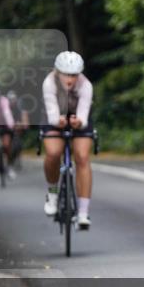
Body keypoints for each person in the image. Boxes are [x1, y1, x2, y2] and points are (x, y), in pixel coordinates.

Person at [41, 51, 95, 229]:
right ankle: (52, 193)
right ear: (57, 72)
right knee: (53, 152)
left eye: (74, 74)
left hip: (77, 116)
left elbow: (84, 114)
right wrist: (59, 121)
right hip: (54, 116)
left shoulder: (85, 85)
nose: (70, 79)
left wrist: (79, 122)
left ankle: (83, 213)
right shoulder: (49, 83)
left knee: (82, 157)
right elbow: (52, 114)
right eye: (65, 74)